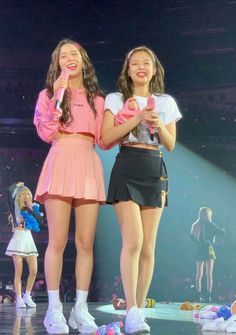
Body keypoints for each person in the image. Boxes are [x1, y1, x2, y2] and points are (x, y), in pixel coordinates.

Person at [101, 46, 182, 333]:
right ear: (127, 69)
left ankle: (139, 308)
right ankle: (131, 309)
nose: (140, 67)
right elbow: (105, 138)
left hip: (153, 167)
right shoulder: (115, 99)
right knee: (133, 241)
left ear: (154, 68)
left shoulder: (165, 102)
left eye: (146, 63)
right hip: (127, 165)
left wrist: (158, 123)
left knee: (148, 245)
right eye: (134, 63)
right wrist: (135, 119)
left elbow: (170, 145)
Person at [33, 38, 106, 334]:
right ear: (57, 63)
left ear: (83, 60)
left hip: (88, 161)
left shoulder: (97, 99)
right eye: (63, 55)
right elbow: (46, 131)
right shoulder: (48, 94)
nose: (69, 58)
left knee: (86, 243)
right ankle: (53, 310)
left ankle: (80, 309)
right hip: (60, 159)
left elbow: (104, 138)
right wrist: (58, 95)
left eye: (74, 53)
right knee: (58, 241)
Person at [5, 182, 40, 309]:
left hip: (29, 239)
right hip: (18, 239)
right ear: (20, 196)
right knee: (18, 272)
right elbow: (9, 193)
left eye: (27, 194)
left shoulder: (33, 208)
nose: (26, 196)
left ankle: (27, 295)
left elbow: (40, 221)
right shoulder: (15, 210)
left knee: (34, 271)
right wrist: (17, 186)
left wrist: (32, 208)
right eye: (23, 194)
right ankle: (19, 298)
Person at [191, 207, 225, 303]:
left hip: (204, 249)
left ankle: (203, 295)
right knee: (205, 274)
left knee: (203, 274)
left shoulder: (198, 225)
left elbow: (193, 238)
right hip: (205, 249)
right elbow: (221, 232)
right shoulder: (206, 225)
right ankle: (204, 295)